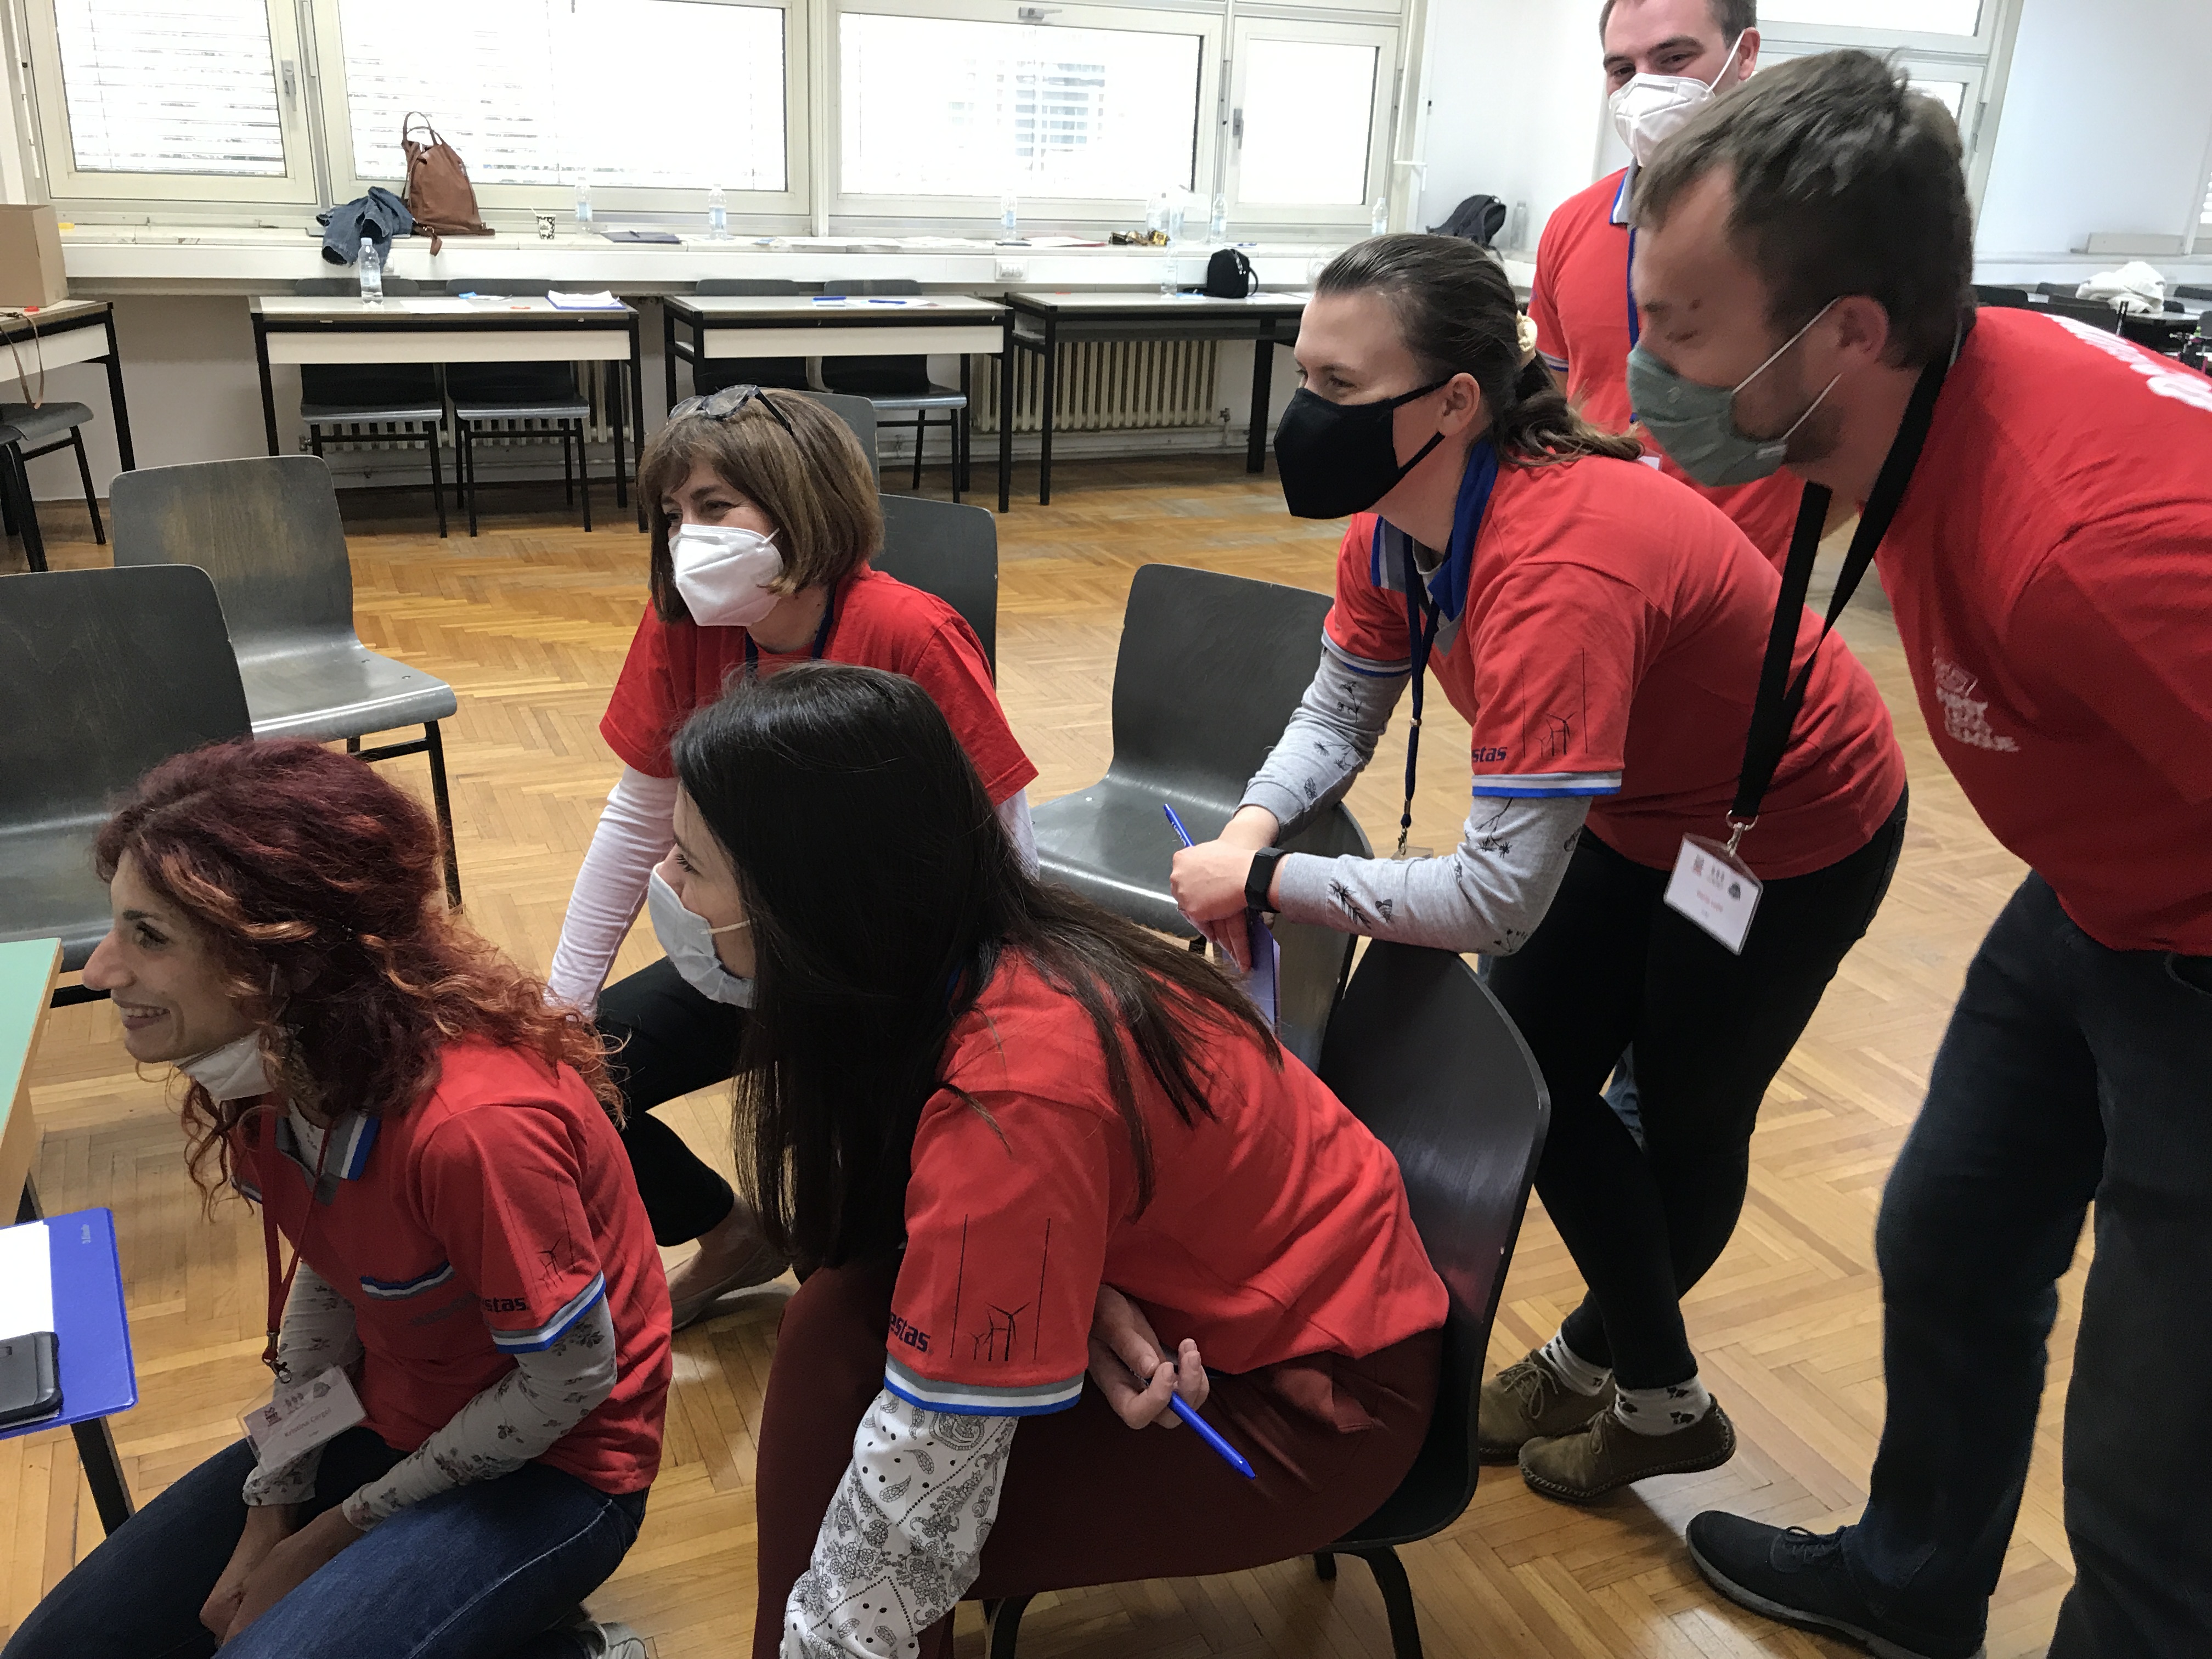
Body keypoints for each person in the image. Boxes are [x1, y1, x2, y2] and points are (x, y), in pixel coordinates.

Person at [1626, 52, 2212, 1659]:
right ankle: (1912, 1583)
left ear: (1846, 332)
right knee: (1951, 1234)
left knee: (2156, 1473)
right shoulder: (1909, 402)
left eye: (1681, 330)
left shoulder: (2087, 547)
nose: (1648, 368)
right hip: (2096, 897)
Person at [1168, 233, 1908, 1502]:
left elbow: (1494, 899)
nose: (1306, 414)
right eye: (1306, 377)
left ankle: (1644, 1392)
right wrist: (1251, 825)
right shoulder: (1400, 523)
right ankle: (1625, 1377)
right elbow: (1342, 707)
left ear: (1454, 402)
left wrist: (1269, 883)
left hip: (1783, 833)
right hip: (1634, 806)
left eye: (1340, 386)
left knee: (1684, 1119)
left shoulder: (1558, 565)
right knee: (1539, 1085)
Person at [651, 662, 1446, 1659]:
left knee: (869, 1527)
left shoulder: (1014, 1094)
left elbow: (913, 1518)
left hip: (1313, 1402)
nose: (666, 885)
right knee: (830, 1327)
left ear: (804, 900)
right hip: (1229, 1321)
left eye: (689, 864)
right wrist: (1085, 1292)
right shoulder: (983, 960)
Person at [3, 740, 670, 1659]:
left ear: (284, 960)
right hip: (389, 1412)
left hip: (559, 1467)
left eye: (148, 936)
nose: (99, 970)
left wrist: (328, 1534)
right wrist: (269, 1506)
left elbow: (568, 1383)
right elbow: (340, 1268)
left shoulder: (475, 1131)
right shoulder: (276, 1066)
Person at [544, 385, 1037, 1327]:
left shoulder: (910, 633)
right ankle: (729, 1233)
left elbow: (1003, 850)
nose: (687, 537)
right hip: (744, 956)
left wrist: (990, 1036)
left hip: (878, 980)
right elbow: (636, 815)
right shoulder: (681, 623)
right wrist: (562, 1006)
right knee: (566, 1082)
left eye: (715, 506)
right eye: (673, 514)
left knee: (843, 1258)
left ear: (800, 502)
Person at [1530, 0, 1802, 568]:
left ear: (1744, 55)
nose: (1645, 87)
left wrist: (1777, 545)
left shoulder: (1809, 223)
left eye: (1674, 58)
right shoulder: (1572, 224)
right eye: (1622, 70)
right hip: (1591, 549)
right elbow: (1555, 399)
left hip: (1742, 571)